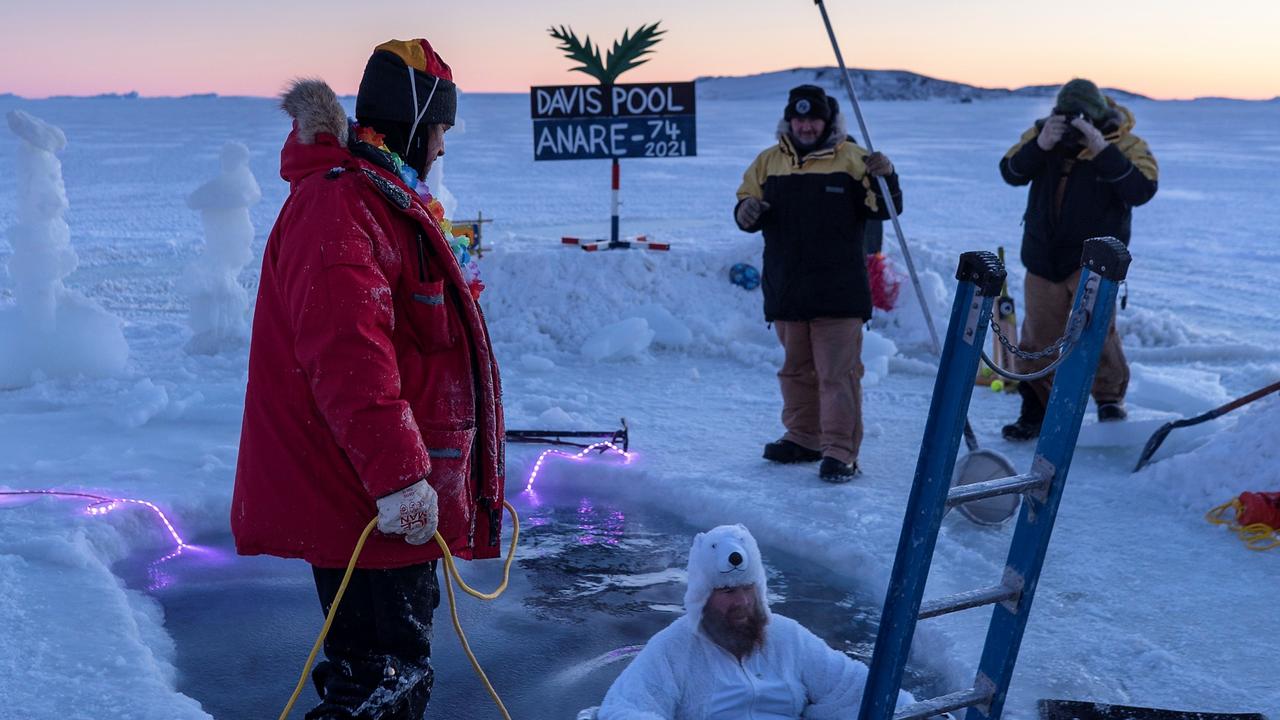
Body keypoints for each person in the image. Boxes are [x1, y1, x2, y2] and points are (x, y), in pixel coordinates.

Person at [231, 39, 505, 719]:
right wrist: (401, 481)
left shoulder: (375, 198)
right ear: (415, 124)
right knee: (379, 683)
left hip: (377, 496)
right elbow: (349, 360)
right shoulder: (341, 207)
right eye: (440, 129)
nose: (442, 148)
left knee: (388, 677)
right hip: (366, 498)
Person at [734, 84, 902, 481]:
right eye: (799, 118)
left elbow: (885, 209)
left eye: (813, 119)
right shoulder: (768, 162)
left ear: (827, 122)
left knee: (837, 375)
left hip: (838, 290)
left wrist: (887, 176)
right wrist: (746, 211)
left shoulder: (854, 159)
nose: (806, 126)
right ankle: (803, 438)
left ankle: (840, 452)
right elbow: (744, 207)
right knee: (795, 371)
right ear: (789, 120)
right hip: (787, 288)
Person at [597, 524, 913, 719]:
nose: (742, 602)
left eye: (749, 588)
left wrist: (918, 715)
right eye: (727, 590)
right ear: (702, 597)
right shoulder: (673, 649)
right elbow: (628, 708)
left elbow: (853, 686)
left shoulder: (787, 638)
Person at [999, 78, 1158, 440]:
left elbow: (1141, 190)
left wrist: (1101, 148)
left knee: (1098, 332)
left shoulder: (1126, 143)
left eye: (1079, 118)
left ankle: (1108, 399)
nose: (1071, 125)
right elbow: (1010, 172)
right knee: (1038, 337)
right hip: (1043, 255)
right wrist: (1041, 145)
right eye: (1064, 115)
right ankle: (1036, 409)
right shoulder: (1042, 136)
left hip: (1096, 259)